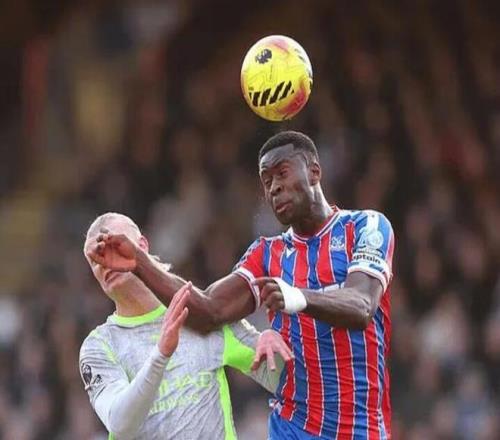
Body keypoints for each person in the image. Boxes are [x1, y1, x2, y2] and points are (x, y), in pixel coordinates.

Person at [88, 131, 395, 439]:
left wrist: (297, 298)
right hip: (293, 427)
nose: (274, 187)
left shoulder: (366, 226)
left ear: (314, 171)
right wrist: (140, 263)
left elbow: (362, 306)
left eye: (282, 173)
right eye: (266, 180)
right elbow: (209, 310)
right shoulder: (266, 253)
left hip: (361, 427)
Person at [80, 213, 292, 440]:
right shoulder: (99, 346)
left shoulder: (200, 315)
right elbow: (120, 424)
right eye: (96, 259)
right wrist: (160, 355)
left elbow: (289, 384)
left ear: (141, 246)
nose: (105, 261)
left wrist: (274, 342)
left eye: (113, 245)